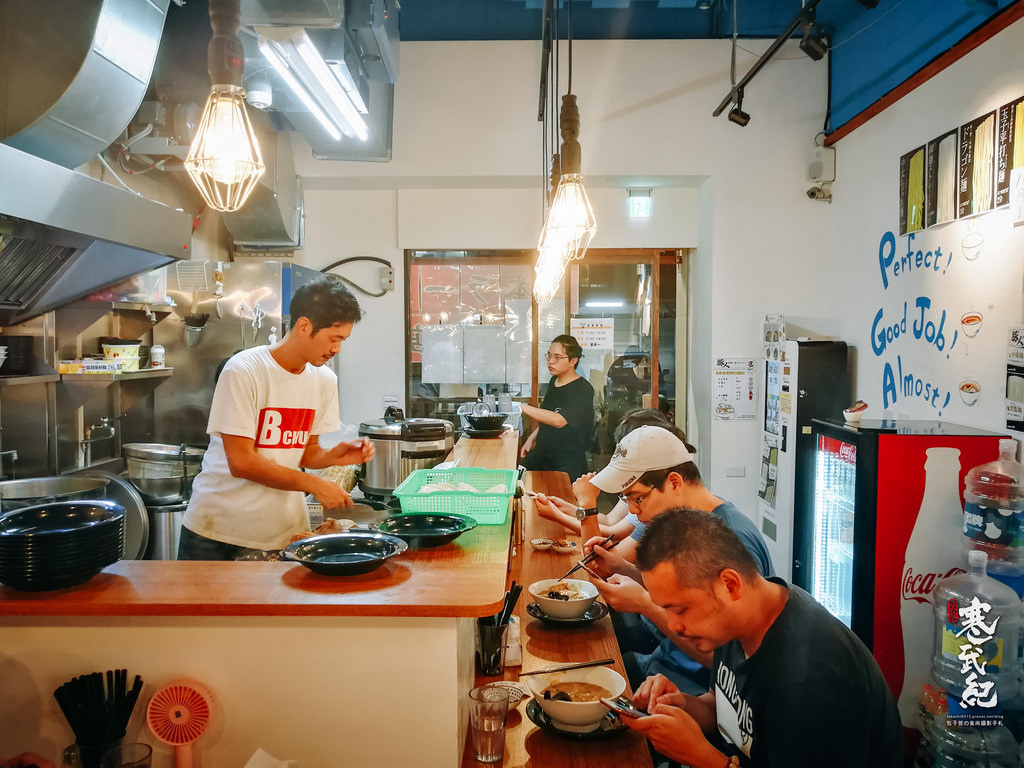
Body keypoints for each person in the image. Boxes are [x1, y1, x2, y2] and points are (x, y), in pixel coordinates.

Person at [625, 507, 902, 768]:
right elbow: (722, 706)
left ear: (729, 585)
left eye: (680, 609)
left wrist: (704, 758)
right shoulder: (739, 618)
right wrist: (683, 704)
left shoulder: (812, 679)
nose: (673, 626)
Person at [178, 279, 374, 561]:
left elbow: (305, 453)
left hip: (282, 533)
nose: (337, 349)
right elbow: (241, 462)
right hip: (216, 533)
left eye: (343, 340)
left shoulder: (324, 380)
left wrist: (333, 456)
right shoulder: (244, 370)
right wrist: (315, 485)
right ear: (305, 326)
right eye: (334, 338)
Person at [519, 334, 594, 482]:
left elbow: (559, 420)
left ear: (573, 361)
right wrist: (532, 438)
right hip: (544, 453)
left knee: (559, 501)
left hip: (566, 461)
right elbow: (549, 414)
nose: (550, 361)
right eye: (549, 356)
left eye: (557, 357)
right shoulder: (554, 381)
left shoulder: (583, 389)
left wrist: (521, 407)